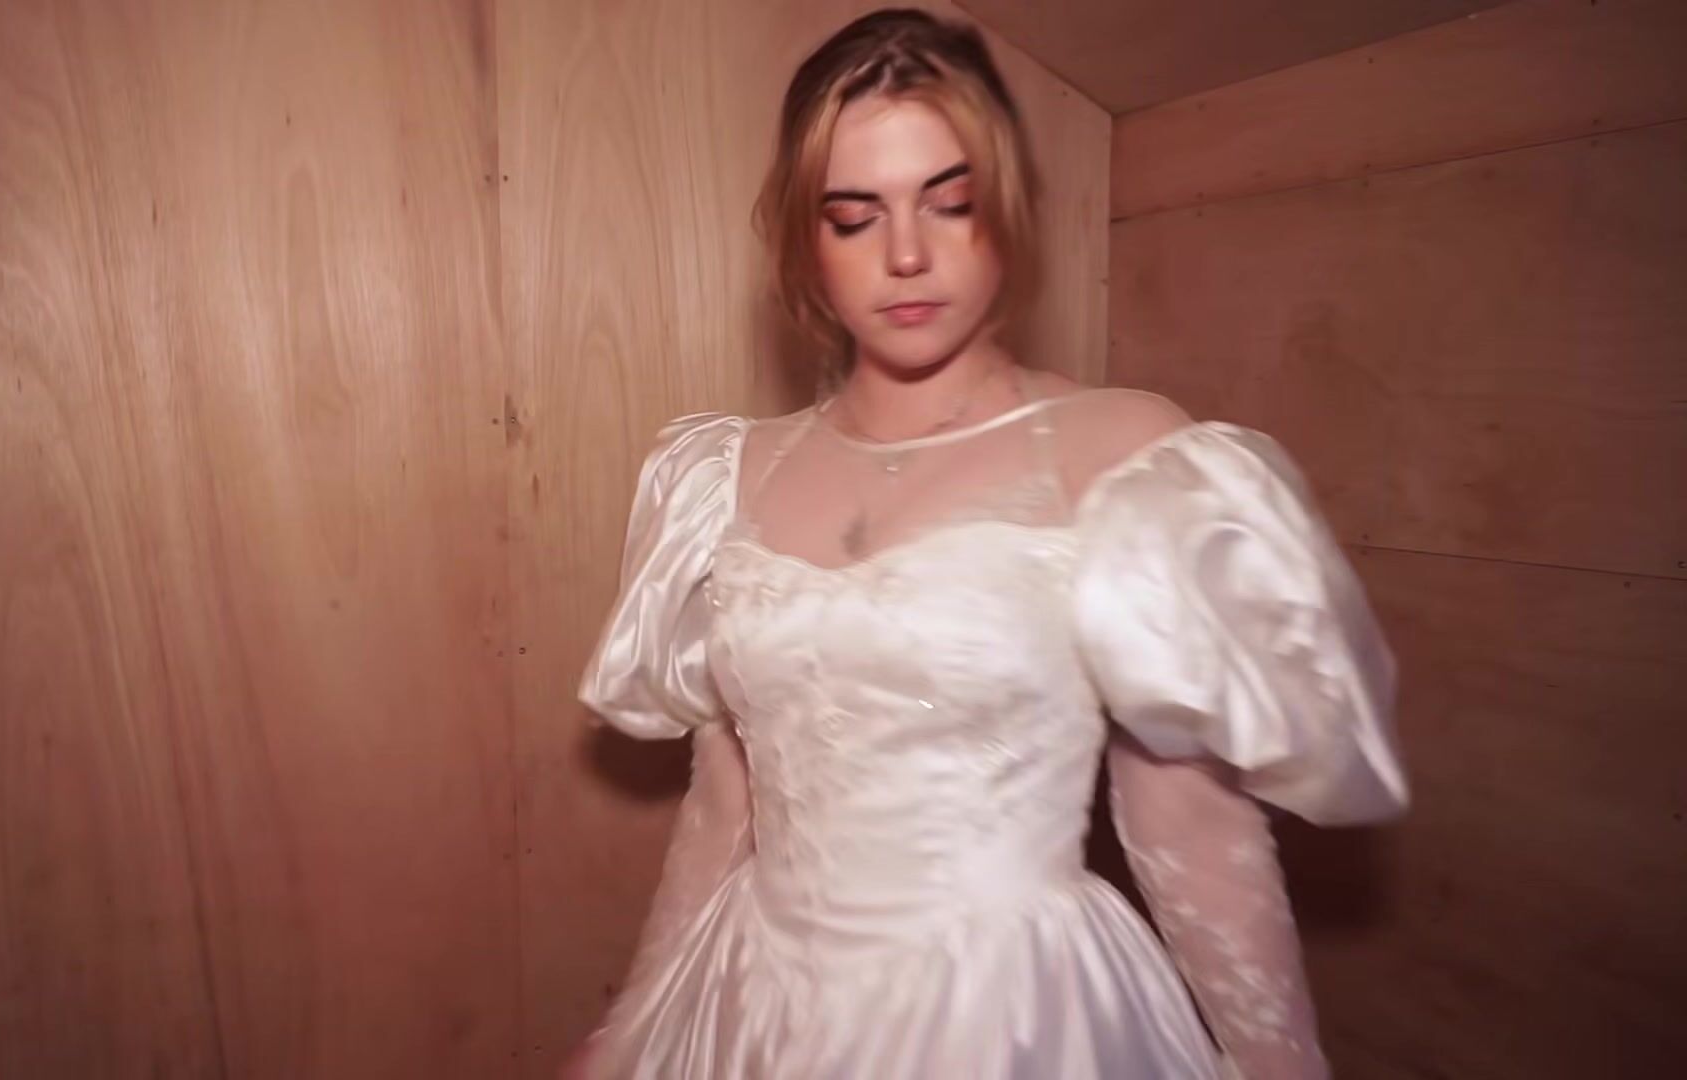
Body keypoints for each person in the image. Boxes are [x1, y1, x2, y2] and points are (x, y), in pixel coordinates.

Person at [569, 9, 1409, 1078]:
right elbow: (726, 795)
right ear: (802, 238)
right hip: (758, 1001)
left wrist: (1282, 1065)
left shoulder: (1127, 457)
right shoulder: (728, 474)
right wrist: (632, 1026)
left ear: (1006, 207)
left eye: (949, 202)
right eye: (854, 216)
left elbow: (1189, 819)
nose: (906, 255)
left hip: (1010, 1014)